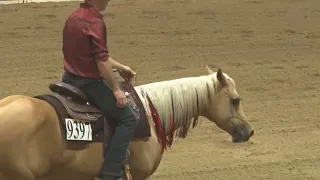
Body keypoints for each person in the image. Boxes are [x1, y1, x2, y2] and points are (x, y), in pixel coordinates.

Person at [60, 0, 138, 179]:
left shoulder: (73, 17)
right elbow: (101, 61)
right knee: (128, 118)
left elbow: (94, 54)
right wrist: (116, 89)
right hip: (88, 83)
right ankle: (111, 174)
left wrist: (120, 67)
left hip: (68, 79)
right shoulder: (95, 21)